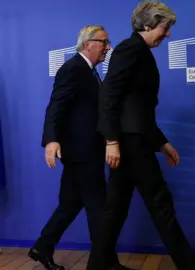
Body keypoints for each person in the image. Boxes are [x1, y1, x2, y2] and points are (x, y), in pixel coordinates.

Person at [86, 2, 195, 270]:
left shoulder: (139, 51)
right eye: (165, 27)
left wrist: (162, 142)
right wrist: (111, 141)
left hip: (134, 140)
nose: (168, 34)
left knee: (114, 211)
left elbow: (137, 108)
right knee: (161, 206)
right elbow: (109, 96)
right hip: (129, 143)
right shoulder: (130, 49)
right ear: (148, 25)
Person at [28, 25, 131, 270]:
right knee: (99, 207)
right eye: (104, 42)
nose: (108, 47)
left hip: (83, 152)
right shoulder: (72, 69)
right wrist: (51, 140)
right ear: (88, 44)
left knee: (70, 204)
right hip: (81, 153)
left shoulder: (90, 71)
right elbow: (56, 106)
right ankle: (107, 264)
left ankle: (42, 247)